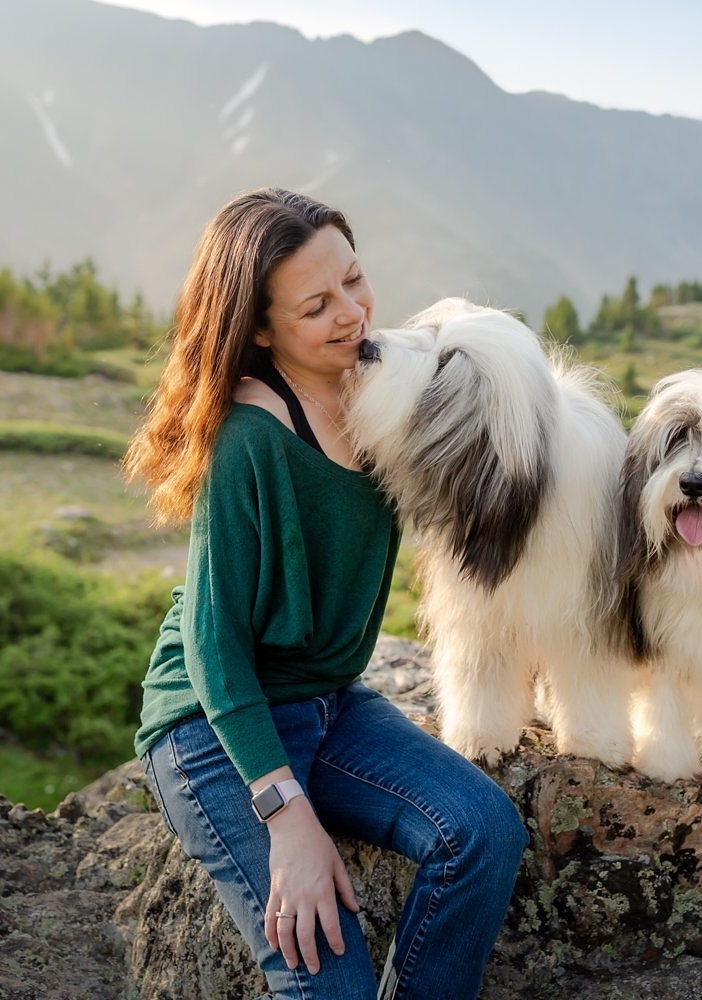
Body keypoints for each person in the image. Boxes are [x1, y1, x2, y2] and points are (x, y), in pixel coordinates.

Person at [124, 187, 528, 1000]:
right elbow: (214, 649)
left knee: (484, 832)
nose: (352, 314)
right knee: (329, 980)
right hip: (215, 729)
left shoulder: (380, 389)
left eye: (354, 279)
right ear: (262, 331)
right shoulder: (250, 441)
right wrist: (288, 817)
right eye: (317, 305)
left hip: (328, 701)